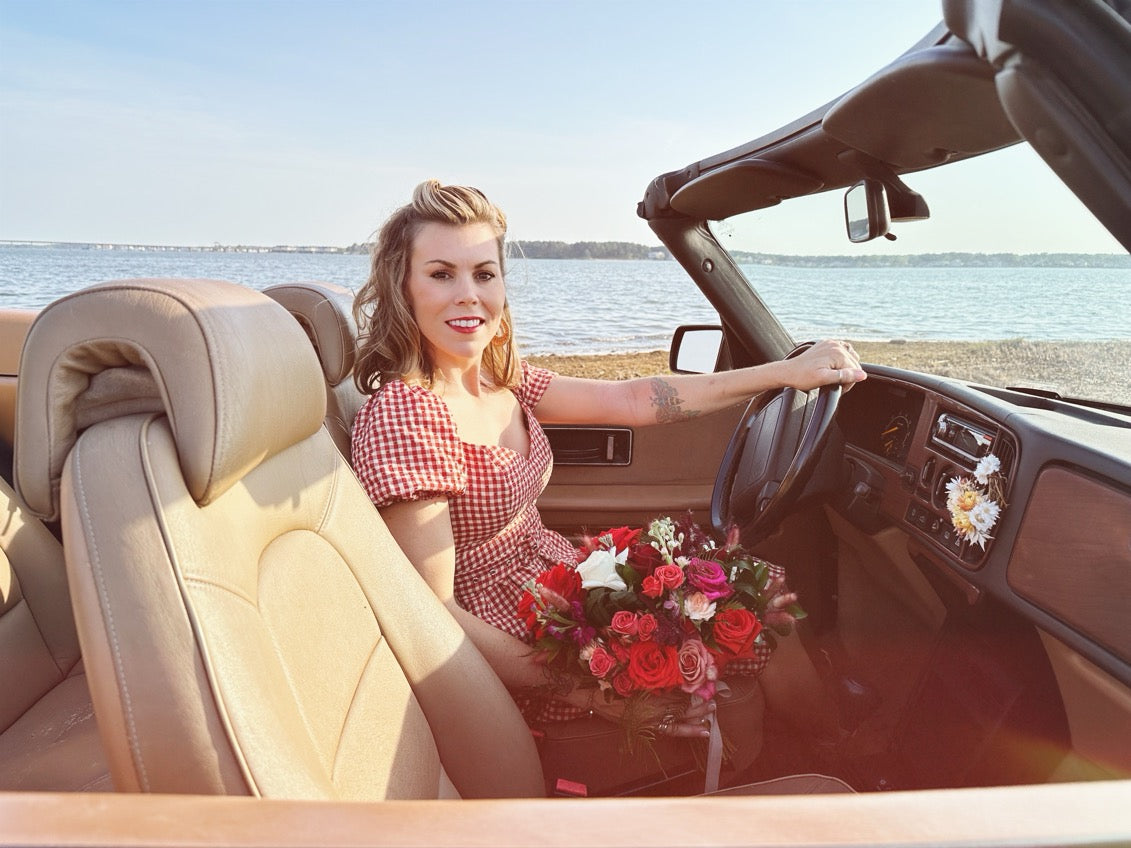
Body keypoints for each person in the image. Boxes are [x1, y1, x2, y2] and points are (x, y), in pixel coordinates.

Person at [350, 179, 866, 747]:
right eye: (441, 274)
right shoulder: (406, 413)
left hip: (566, 588)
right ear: (404, 285)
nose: (468, 294)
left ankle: (821, 756)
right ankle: (843, 759)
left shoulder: (502, 380)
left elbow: (631, 400)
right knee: (756, 619)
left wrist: (780, 373)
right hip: (521, 646)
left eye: (484, 273)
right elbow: (433, 613)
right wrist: (594, 694)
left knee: (757, 594)